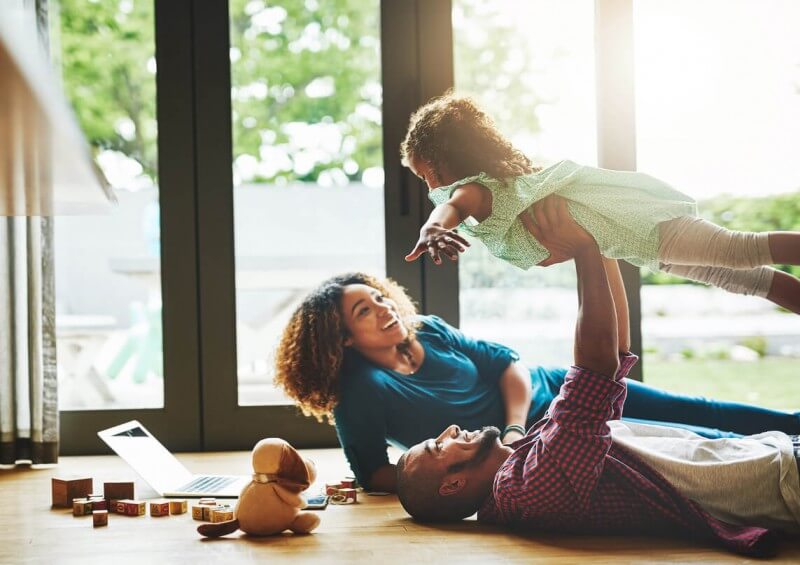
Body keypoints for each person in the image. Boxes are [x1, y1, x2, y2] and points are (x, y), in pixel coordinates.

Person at [395, 197, 799, 557]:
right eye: (437, 446)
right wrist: (584, 250)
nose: (448, 430)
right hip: (782, 479)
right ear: (451, 487)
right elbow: (594, 372)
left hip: (774, 456)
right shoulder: (528, 489)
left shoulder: (525, 461)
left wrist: (601, 247)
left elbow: (614, 359)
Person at [273, 229, 800, 493]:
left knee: (703, 411)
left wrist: (512, 428)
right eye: (365, 310)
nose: (385, 308)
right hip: (542, 447)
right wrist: (471, 480)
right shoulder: (361, 391)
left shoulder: (427, 329)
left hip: (558, 393)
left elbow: (509, 364)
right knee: (688, 444)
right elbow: (375, 475)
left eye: (381, 297)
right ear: (341, 339)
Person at [401, 91, 800, 315]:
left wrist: (433, 228)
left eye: (424, 175)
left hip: (646, 228)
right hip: (641, 245)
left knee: (740, 250)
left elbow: (450, 207)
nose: (428, 187)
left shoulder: (478, 191)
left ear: (445, 159)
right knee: (746, 279)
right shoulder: (507, 185)